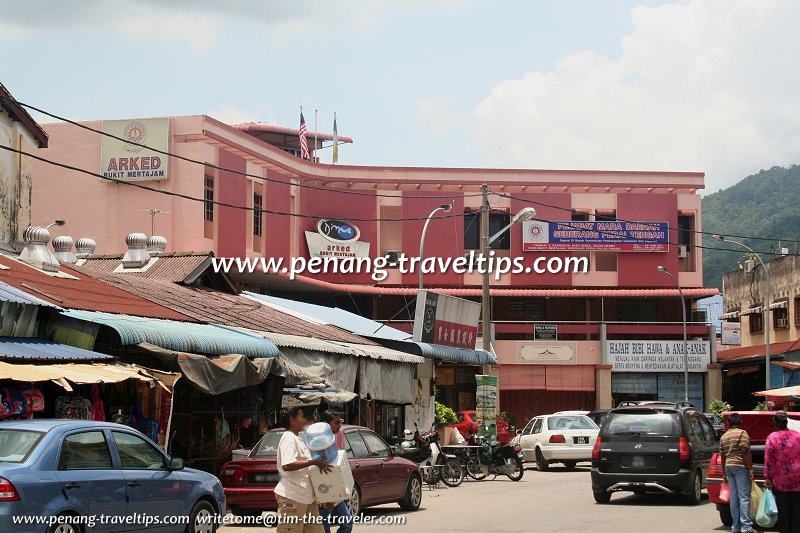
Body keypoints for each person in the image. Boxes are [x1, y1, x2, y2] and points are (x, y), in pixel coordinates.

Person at [275, 407, 331, 533]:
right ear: (292, 420)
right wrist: (314, 462)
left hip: (306, 498)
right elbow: (287, 465)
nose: (305, 419)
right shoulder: (289, 438)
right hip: (293, 497)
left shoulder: (298, 438)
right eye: (301, 416)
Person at [317, 411, 353, 533]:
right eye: (336, 423)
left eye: (340, 422)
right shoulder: (319, 443)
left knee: (347, 523)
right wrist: (327, 497)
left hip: (336, 491)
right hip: (325, 492)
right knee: (324, 526)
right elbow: (321, 470)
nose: (339, 426)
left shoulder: (331, 440)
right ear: (326, 425)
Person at [765, 411, 800, 533]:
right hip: (797, 478)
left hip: (781, 480)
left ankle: (785, 530)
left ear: (775, 423)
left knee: (783, 509)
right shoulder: (798, 436)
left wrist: (768, 477)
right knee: (797, 508)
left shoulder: (772, 437)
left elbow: (768, 459)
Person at [720, 412, 754, 533]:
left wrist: (724, 473)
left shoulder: (724, 436)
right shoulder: (742, 433)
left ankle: (736, 527)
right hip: (740, 466)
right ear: (740, 422)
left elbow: (722, 456)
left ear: (728, 423)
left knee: (734, 497)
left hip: (729, 466)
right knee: (744, 497)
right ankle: (746, 527)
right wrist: (750, 469)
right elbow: (745, 451)